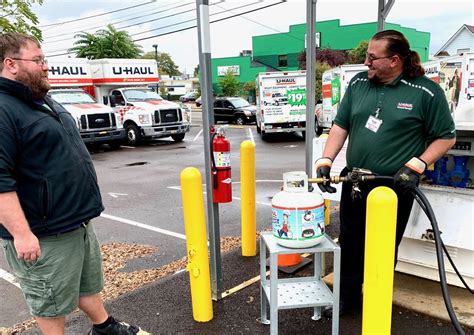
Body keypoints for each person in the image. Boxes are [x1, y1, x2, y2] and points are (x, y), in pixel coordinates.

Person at [0, 33, 142, 334]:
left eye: (44, 59)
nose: (45, 66)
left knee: (84, 282)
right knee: (49, 301)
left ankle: (103, 327)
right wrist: (22, 234)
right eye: (38, 60)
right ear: (10, 64)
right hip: (43, 232)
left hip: (74, 220)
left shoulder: (39, 99)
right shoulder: (3, 109)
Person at [314, 30, 456, 315]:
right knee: (351, 242)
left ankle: (376, 298)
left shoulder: (426, 92)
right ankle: (347, 298)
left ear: (394, 60)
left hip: (393, 185)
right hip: (355, 181)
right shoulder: (357, 84)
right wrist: (326, 160)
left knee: (382, 245)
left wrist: (416, 166)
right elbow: (341, 126)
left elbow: (445, 137)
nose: (366, 62)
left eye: (372, 57)